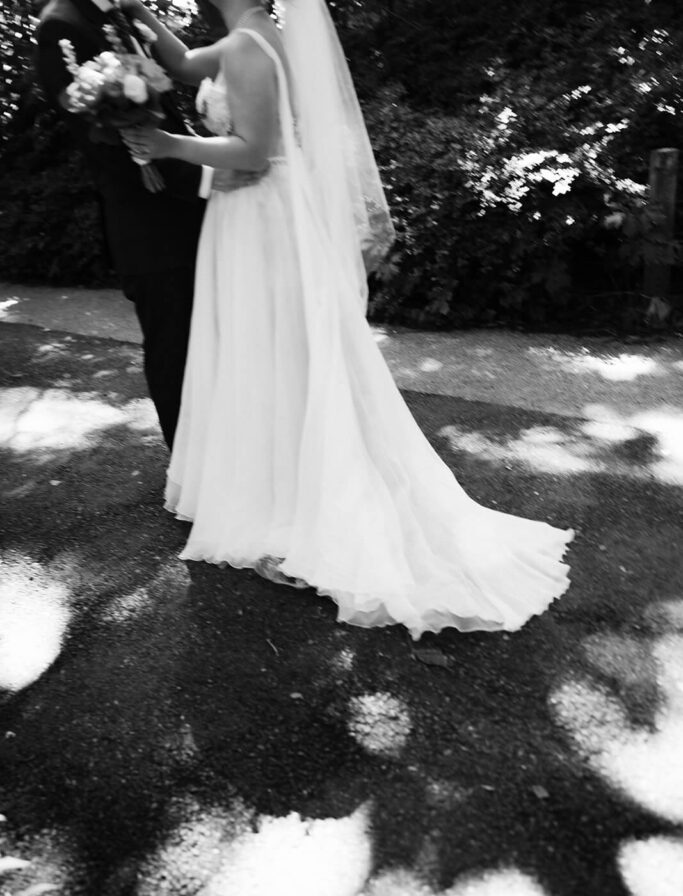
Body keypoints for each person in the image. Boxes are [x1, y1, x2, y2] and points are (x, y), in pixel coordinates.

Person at [122, 0, 574, 640]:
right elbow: (186, 63)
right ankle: (279, 487)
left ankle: (289, 507)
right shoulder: (251, 38)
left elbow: (252, 152)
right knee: (273, 352)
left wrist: (167, 143)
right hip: (253, 219)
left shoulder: (250, 47)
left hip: (258, 220)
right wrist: (140, 16)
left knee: (273, 353)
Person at [36, 0, 211, 447]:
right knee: (174, 350)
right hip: (149, 222)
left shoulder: (122, 13)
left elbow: (168, 105)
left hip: (188, 209)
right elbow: (103, 145)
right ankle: (192, 478)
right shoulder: (61, 26)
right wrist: (210, 177)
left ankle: (224, 462)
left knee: (210, 344)